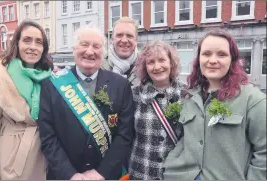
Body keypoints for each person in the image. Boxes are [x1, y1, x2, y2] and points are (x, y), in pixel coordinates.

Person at [164, 29, 266, 180]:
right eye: (206, 54)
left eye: (221, 54)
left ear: (232, 59)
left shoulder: (253, 99)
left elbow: (263, 152)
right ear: (199, 59)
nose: (212, 60)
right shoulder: (190, 96)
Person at [37, 26, 134, 180]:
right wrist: (70, 174)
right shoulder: (51, 85)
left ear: (104, 52)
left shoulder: (121, 86)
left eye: (96, 46)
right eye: (84, 44)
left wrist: (101, 172)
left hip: (107, 176)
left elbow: (125, 135)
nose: (90, 52)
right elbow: (48, 136)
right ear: (74, 49)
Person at [0, 20, 53, 180]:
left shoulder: (50, 77)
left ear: (44, 48)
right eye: (27, 40)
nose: (33, 47)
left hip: (44, 157)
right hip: (11, 163)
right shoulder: (0, 77)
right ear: (17, 43)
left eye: (39, 42)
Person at [128, 40, 186, 180]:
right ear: (145, 67)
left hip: (175, 174)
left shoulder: (187, 94)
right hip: (141, 173)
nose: (157, 66)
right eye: (151, 62)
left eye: (162, 60)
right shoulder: (134, 94)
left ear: (171, 63)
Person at [102, 16, 139, 87]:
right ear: (112, 39)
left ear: (136, 41)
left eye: (129, 36)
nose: (124, 40)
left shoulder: (146, 67)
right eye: (119, 35)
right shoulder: (98, 67)